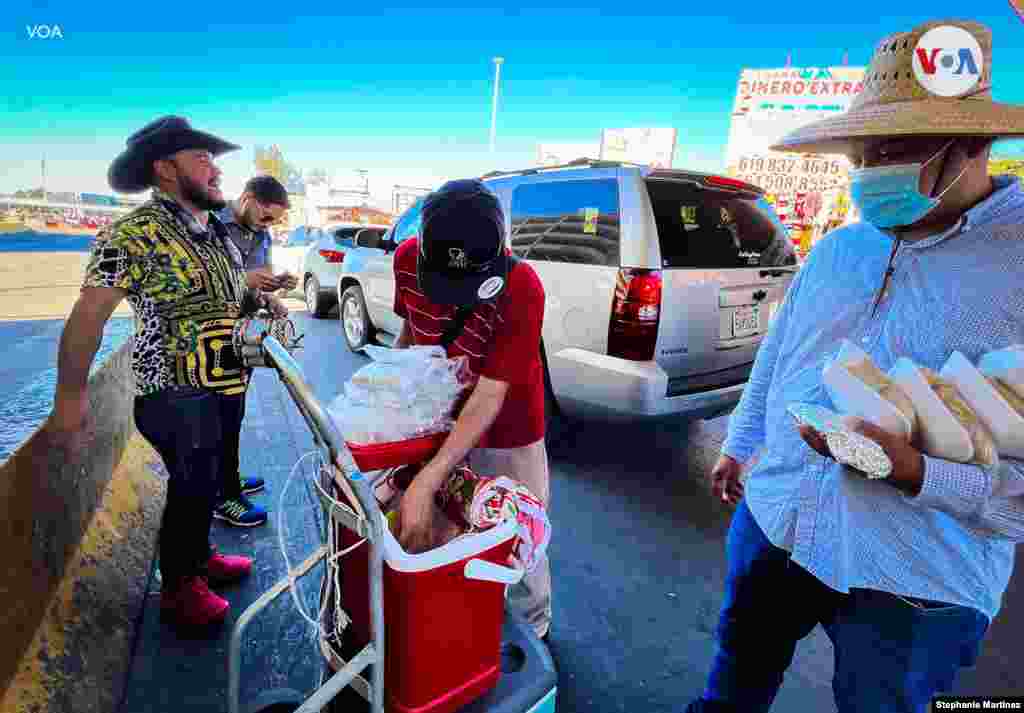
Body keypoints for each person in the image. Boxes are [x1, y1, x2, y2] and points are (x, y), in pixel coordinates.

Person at [688, 19, 1024, 713]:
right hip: (775, 517)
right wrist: (742, 442)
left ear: (974, 145)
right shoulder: (840, 249)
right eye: (862, 154)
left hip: (915, 581)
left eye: (895, 150)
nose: (872, 173)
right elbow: (783, 353)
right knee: (732, 686)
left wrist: (916, 471)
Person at [48, 116, 289, 631]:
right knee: (192, 482)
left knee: (206, 480)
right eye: (201, 158)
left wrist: (264, 298)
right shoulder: (133, 233)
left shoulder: (213, 232)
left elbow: (231, 290)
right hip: (172, 388)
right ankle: (180, 589)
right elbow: (88, 316)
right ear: (164, 169)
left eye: (214, 159)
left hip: (223, 380)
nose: (215, 169)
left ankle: (199, 561)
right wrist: (69, 399)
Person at [390, 179, 553, 641]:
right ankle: (455, 618)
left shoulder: (522, 287)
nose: (451, 298)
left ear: (499, 251)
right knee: (445, 521)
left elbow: (490, 394)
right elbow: (410, 337)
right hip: (436, 415)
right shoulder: (405, 261)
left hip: (508, 425)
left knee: (517, 530)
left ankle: (530, 628)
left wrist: (428, 476)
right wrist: (392, 404)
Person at [211, 175, 298, 527]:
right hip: (208, 336)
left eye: (274, 222)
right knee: (216, 419)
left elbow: (255, 284)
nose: (269, 226)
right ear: (246, 198)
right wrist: (248, 282)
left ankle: (227, 478)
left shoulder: (261, 235)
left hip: (240, 334)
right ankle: (223, 496)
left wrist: (274, 293)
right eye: (266, 218)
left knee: (233, 413)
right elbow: (202, 279)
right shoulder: (210, 221)